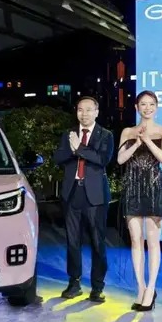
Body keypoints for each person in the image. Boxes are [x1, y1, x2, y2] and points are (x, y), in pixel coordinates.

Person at [53, 96, 114, 302]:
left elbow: (102, 159)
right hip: (72, 194)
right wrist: (72, 150)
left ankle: (97, 286)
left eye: (88, 110)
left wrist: (79, 148)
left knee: (97, 242)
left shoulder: (105, 135)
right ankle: (74, 282)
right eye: (80, 109)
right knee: (72, 242)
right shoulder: (68, 134)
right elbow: (58, 158)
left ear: (96, 112)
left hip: (95, 196)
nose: (84, 114)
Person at [116, 91, 162, 311]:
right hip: (132, 187)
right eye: (143, 104)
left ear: (156, 107)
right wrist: (136, 142)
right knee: (135, 239)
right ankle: (140, 287)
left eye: (151, 104)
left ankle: (151, 288)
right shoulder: (127, 131)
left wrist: (148, 140)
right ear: (137, 107)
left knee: (153, 241)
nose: (147, 108)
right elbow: (120, 159)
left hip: (154, 187)